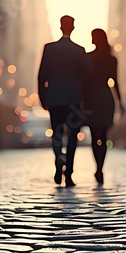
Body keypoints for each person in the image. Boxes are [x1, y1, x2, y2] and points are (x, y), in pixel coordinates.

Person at [37, 15, 91, 186]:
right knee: (73, 136)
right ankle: (68, 174)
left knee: (57, 133)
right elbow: (88, 74)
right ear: (73, 28)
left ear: (60, 27)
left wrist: (43, 98)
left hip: (54, 98)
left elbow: (41, 76)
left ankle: (59, 158)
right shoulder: (79, 50)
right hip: (74, 99)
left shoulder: (49, 48)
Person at [85, 29, 124, 185]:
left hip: (92, 99)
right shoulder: (112, 59)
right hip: (106, 98)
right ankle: (100, 167)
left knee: (95, 136)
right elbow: (115, 82)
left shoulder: (88, 57)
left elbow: (84, 81)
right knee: (104, 135)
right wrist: (120, 102)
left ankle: (98, 167)